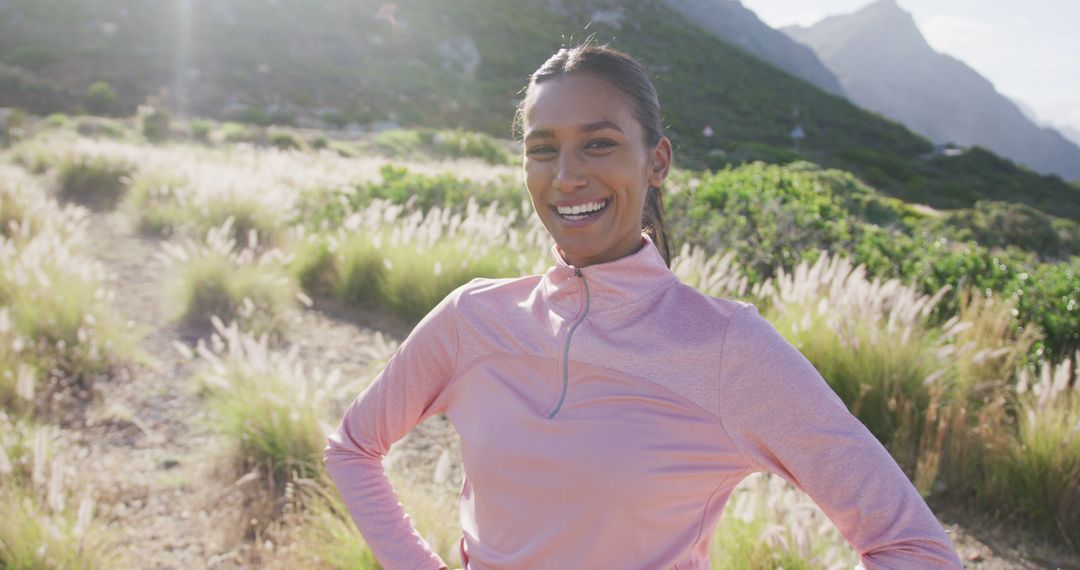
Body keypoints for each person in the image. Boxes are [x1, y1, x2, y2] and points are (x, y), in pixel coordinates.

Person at [324, 42, 964, 569]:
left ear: (655, 161)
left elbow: (916, 551)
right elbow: (353, 447)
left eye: (598, 143)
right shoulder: (474, 319)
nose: (566, 175)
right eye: (542, 148)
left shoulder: (726, 348)